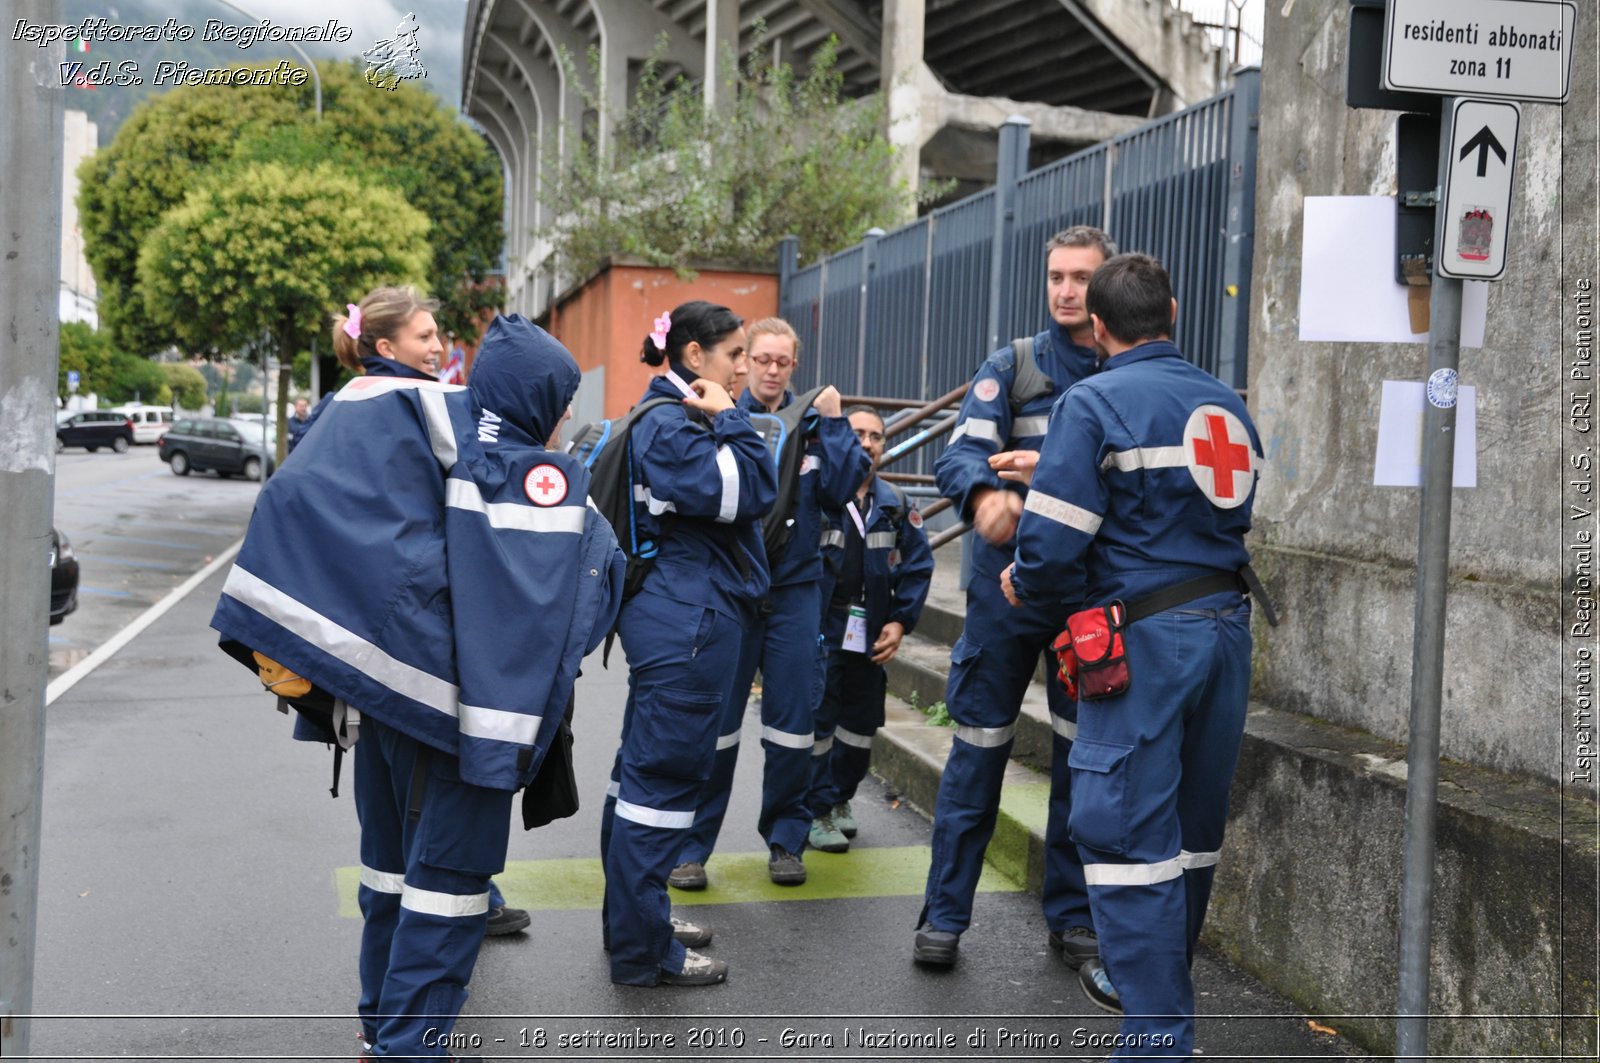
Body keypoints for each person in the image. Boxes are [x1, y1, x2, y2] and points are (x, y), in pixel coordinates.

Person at [212, 309, 623, 1061]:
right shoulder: (540, 489)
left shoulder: (427, 453)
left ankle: (381, 1034)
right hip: (458, 734)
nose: (568, 417)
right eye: (562, 402)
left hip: (386, 711)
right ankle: (408, 1049)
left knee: (388, 881)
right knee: (446, 896)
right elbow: (586, 606)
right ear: (540, 404)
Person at [998, 252, 1263, 1057]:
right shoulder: (1226, 402)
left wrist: (1027, 583)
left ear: (1101, 327)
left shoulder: (1094, 399)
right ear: (1174, 312)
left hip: (1144, 641)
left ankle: (1155, 1035)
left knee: (1120, 833)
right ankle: (1159, 996)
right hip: (1226, 630)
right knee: (1191, 833)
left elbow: (1049, 548)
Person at [287, 288, 530, 937]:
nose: (439, 344)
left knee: (386, 839)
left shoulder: (340, 408)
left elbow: (302, 505)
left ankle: (387, 991)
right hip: (415, 651)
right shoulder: (424, 405)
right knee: (430, 822)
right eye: (425, 336)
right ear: (387, 346)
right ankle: (420, 988)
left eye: (437, 332)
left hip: (361, 662)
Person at [915, 225, 1116, 969]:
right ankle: (942, 917)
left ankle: (1072, 920)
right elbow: (962, 450)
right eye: (1057, 276)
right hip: (1003, 591)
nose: (1066, 290)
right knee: (977, 751)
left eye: (1081, 277)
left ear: (1105, 285)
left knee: (1080, 759)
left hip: (1085, 598)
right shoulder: (1013, 365)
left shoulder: (1120, 371)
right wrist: (985, 496)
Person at [599, 300, 777, 987]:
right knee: (660, 786)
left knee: (641, 776)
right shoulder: (676, 426)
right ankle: (644, 952)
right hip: (689, 623)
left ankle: (637, 921)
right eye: (735, 353)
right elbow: (753, 489)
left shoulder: (674, 418)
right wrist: (733, 418)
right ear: (694, 356)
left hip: (680, 617)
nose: (743, 366)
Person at [670, 318, 868, 888]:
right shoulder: (718, 413)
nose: (772, 370)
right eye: (762, 359)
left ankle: (786, 840)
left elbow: (845, 488)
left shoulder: (812, 423)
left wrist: (833, 422)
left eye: (783, 361)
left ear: (794, 366)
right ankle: (689, 850)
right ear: (744, 361)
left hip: (797, 591)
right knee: (717, 727)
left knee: (792, 726)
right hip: (732, 587)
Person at [806, 406, 933, 850]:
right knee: (819, 722)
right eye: (857, 433)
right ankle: (816, 808)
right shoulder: (823, 496)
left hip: (871, 630)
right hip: (825, 627)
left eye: (875, 436)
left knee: (860, 725)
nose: (866, 442)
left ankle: (840, 799)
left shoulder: (897, 504)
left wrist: (900, 623)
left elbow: (918, 568)